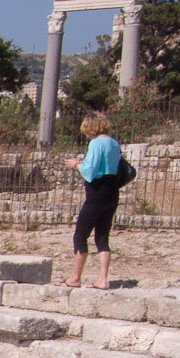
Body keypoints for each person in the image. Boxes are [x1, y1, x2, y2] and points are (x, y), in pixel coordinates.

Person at [63, 113, 122, 289]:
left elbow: (90, 171)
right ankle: (102, 279)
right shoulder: (114, 143)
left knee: (81, 235)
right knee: (103, 236)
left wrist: (75, 164)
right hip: (112, 192)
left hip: (97, 192)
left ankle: (75, 278)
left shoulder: (96, 143)